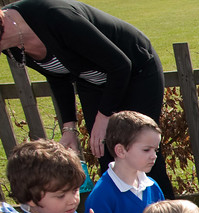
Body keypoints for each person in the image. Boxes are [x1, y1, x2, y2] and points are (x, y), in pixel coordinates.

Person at [0, 0, 174, 198]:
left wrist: (104, 115)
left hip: (136, 71)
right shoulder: (10, 43)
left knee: (139, 149)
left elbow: (120, 65)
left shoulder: (55, 17)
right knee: (106, 153)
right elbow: (57, 76)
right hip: (93, 81)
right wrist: (69, 129)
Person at [84, 110, 166, 213]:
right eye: (146, 149)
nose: (154, 155)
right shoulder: (102, 196)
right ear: (121, 151)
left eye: (156, 150)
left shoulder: (152, 186)